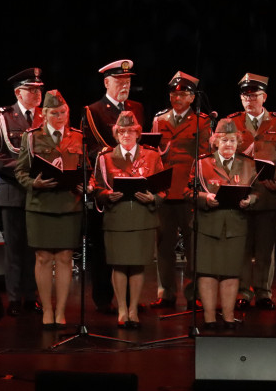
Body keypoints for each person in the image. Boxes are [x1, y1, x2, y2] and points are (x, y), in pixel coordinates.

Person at [79, 59, 147, 313]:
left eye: (128, 81)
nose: (124, 86)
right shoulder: (94, 110)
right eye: (119, 81)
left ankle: (130, 298)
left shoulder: (137, 108)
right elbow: (93, 147)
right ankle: (103, 297)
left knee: (132, 246)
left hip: (135, 180)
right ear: (106, 82)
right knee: (104, 245)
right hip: (108, 181)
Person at [15, 90, 85, 329]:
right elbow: (20, 171)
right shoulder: (32, 137)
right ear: (43, 114)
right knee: (44, 258)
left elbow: (88, 172)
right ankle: (47, 310)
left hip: (69, 204)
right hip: (40, 205)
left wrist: (86, 184)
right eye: (55, 113)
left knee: (65, 258)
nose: (60, 117)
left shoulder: (78, 137)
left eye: (63, 112)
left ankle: (61, 311)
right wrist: (33, 183)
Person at [225, 73, 276, 311]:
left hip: (267, 193)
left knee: (265, 248)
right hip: (240, 193)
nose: (248, 100)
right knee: (242, 247)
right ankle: (244, 291)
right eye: (245, 96)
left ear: (264, 97)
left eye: (253, 96)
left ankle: (264, 292)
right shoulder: (231, 122)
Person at [92, 111, 165, 329]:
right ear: (116, 134)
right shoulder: (105, 158)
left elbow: (162, 188)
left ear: (138, 133)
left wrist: (153, 198)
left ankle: (133, 309)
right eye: (122, 131)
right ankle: (122, 310)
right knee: (120, 265)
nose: (126, 135)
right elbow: (96, 187)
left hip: (143, 217)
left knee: (137, 266)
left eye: (130, 131)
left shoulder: (152, 156)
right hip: (117, 218)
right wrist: (106, 196)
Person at [0, 67, 43, 316]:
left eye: (40, 89)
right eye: (32, 89)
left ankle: (32, 297)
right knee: (15, 248)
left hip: (40, 192)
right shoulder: (3, 117)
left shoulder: (45, 116)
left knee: (35, 248)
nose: (38, 93)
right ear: (19, 92)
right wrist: (21, 169)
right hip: (14, 189)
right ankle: (15, 298)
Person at [185, 120, 257, 330]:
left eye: (233, 140)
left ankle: (228, 316)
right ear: (215, 142)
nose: (228, 144)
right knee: (207, 272)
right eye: (224, 140)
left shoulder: (248, 164)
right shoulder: (202, 163)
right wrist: (204, 198)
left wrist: (250, 200)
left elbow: (258, 192)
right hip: (208, 225)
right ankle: (208, 318)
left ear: (238, 142)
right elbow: (188, 192)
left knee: (230, 272)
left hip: (235, 226)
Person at [150, 71, 212, 309]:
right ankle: (165, 292)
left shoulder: (202, 121)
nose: (177, 98)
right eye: (174, 94)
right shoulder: (159, 120)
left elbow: (205, 155)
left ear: (192, 97)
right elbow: (153, 154)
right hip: (165, 191)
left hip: (188, 191)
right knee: (163, 246)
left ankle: (192, 292)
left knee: (193, 245)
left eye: (184, 94)